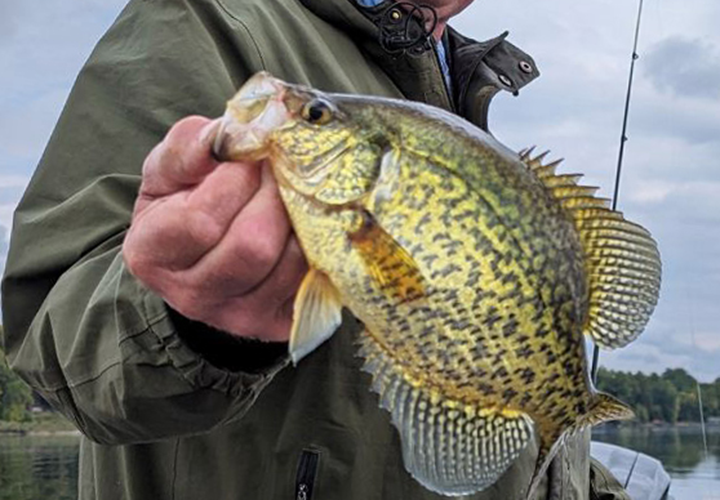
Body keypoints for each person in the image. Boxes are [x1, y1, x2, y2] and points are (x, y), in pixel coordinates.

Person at [1, 0, 630, 498]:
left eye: (317, 117)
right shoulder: (207, 17)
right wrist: (193, 323)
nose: (297, 115)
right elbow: (53, 337)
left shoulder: (453, 82)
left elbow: (516, 379)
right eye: (319, 117)